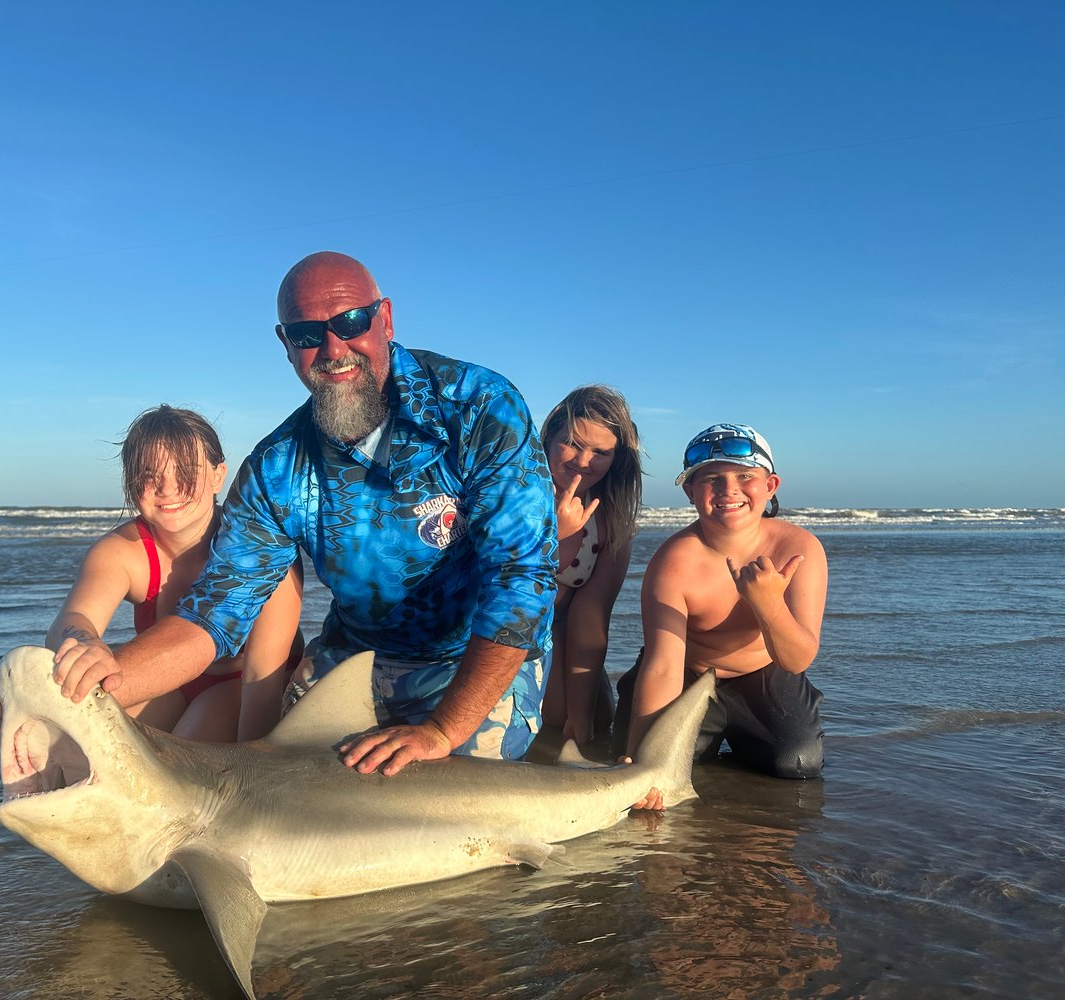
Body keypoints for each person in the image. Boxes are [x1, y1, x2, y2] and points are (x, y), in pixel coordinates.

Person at [44, 251, 558, 776]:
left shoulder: (477, 408)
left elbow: (522, 579)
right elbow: (212, 618)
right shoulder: (276, 469)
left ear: (385, 318)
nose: (334, 349)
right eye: (308, 334)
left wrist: (442, 731)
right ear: (286, 343)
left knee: (445, 808)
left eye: (351, 322)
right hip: (355, 657)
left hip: (475, 656)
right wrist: (65, 695)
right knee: (281, 782)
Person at [0, 406, 303, 748]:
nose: (167, 487)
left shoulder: (265, 549)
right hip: (168, 684)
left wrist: (251, 777)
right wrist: (81, 651)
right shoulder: (122, 551)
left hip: (253, 686)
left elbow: (259, 682)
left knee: (189, 741)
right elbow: (73, 619)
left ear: (218, 475)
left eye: (186, 471)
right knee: (64, 734)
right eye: (149, 474)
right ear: (131, 482)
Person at [610, 423, 827, 808]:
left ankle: (740, 744)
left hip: (764, 674)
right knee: (648, 768)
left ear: (770, 486)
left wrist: (768, 603)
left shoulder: (800, 548)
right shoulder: (672, 562)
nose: (729, 489)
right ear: (690, 492)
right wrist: (643, 765)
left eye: (745, 476)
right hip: (687, 673)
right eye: (710, 479)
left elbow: (797, 659)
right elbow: (662, 666)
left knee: (797, 764)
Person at [538, 385, 643, 747]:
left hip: (568, 630)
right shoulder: (513, 494)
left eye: (600, 452)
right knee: (554, 717)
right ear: (549, 436)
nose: (583, 461)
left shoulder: (611, 520)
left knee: (596, 721)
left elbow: (591, 615)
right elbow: (494, 591)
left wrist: (580, 720)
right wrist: (554, 535)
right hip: (509, 628)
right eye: (572, 443)